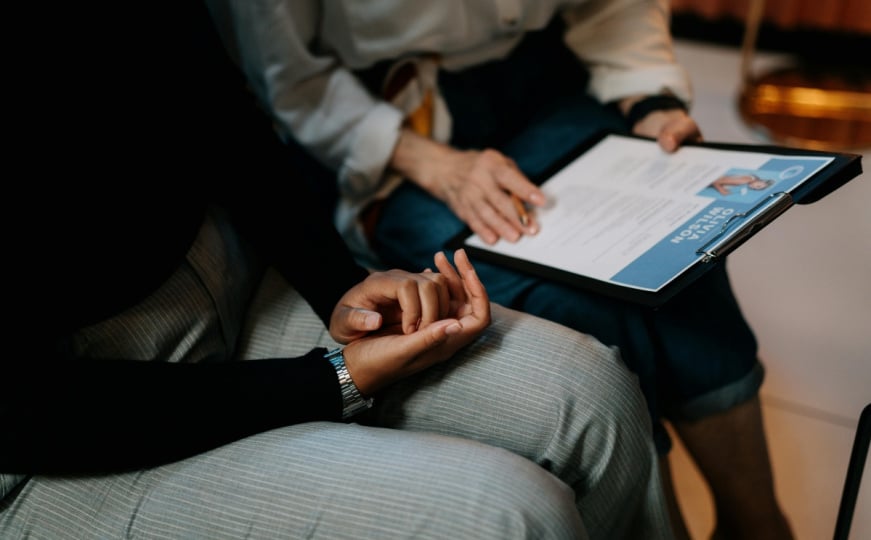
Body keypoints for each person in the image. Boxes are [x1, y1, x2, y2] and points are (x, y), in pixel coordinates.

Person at [1, 2, 674, 539]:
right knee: (513, 516)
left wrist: (338, 287)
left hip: (236, 278)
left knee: (597, 397)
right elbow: (30, 410)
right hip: (57, 426)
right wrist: (333, 381)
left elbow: (218, 107)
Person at [203, 1, 794, 538]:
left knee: (678, 258)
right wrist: (435, 165)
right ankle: (665, 525)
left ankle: (758, 522)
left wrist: (650, 102)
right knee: (571, 307)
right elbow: (291, 77)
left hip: (541, 76)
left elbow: (613, 6)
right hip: (387, 121)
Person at [709, 172, 775, 195]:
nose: (754, 187)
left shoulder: (749, 179)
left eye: (756, 189)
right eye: (758, 186)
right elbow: (716, 182)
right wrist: (722, 191)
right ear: (761, 181)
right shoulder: (745, 180)